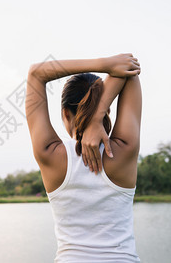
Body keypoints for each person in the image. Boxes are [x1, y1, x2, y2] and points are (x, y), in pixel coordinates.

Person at [25, 53, 142, 262]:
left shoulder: (49, 154)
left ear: (65, 113)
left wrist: (103, 64)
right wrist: (97, 115)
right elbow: (130, 70)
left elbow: (36, 73)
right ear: (108, 110)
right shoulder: (124, 149)